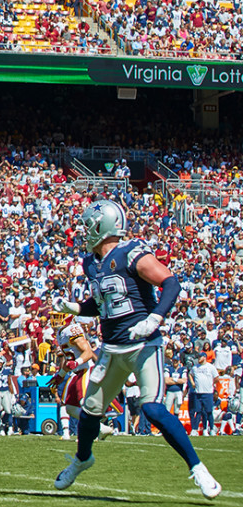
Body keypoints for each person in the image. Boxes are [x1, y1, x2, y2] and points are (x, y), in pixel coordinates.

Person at [53, 200, 221, 499]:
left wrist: (155, 317)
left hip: (143, 344)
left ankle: (198, 468)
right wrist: (75, 307)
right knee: (90, 413)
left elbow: (171, 282)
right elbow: (102, 303)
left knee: (152, 408)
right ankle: (82, 459)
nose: (83, 232)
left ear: (101, 226)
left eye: (88, 226)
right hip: (112, 347)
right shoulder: (91, 262)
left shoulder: (131, 253)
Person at [52, 314, 113, 440]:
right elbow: (70, 359)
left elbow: (88, 352)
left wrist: (77, 363)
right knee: (70, 408)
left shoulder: (72, 330)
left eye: (58, 316)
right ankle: (100, 429)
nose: (55, 319)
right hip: (77, 372)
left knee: (83, 402)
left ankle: (88, 432)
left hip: (85, 369)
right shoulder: (61, 333)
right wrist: (60, 375)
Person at [189, 352, 218, 436]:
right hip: (198, 393)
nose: (198, 359)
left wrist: (211, 384)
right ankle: (194, 429)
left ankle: (211, 429)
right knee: (198, 411)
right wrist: (192, 383)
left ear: (204, 357)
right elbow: (190, 374)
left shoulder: (210, 367)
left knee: (209, 411)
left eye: (200, 357)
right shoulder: (195, 367)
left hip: (208, 393)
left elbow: (216, 377)